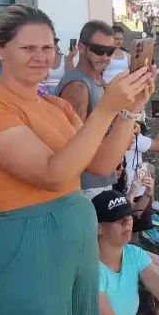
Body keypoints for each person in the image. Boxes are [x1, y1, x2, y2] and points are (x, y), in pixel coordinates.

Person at [0, 4, 156, 315]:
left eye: (47, 47)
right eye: (28, 48)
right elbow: (53, 174)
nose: (40, 57)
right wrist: (106, 108)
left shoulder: (56, 105)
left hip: (76, 243)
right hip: (30, 244)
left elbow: (100, 164)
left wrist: (128, 112)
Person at [57, 20, 122, 199]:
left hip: (99, 178)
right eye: (99, 50)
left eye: (110, 51)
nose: (105, 56)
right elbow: (76, 143)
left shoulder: (97, 82)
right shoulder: (78, 86)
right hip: (86, 185)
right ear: (81, 48)